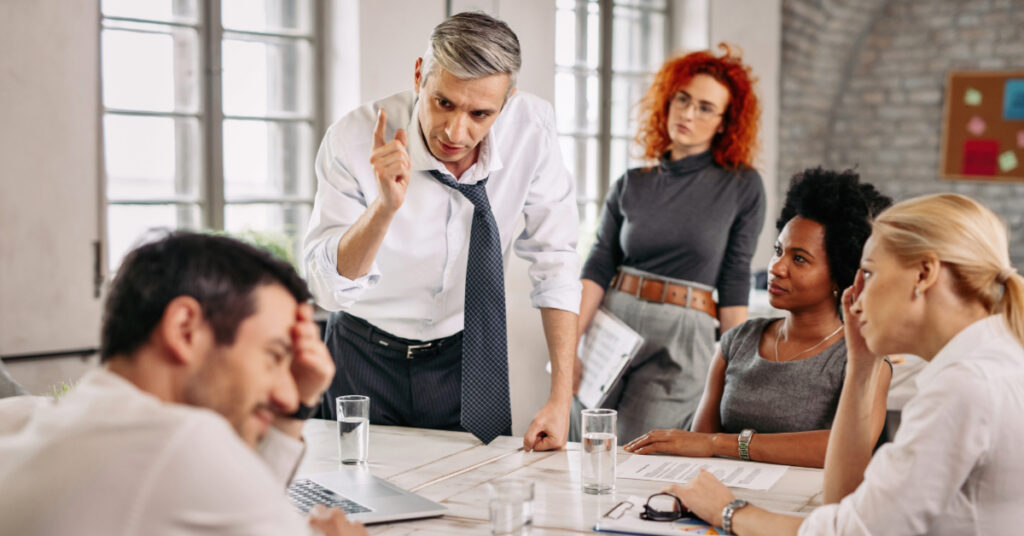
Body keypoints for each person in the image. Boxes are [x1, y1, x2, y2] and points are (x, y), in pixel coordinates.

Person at [667, 193, 1024, 535]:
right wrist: (861, 363)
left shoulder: (963, 388)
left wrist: (728, 511)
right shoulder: (992, 359)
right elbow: (846, 505)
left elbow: (849, 532)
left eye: (868, 273)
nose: (857, 295)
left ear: (924, 274)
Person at [303, 12, 580, 450]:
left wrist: (561, 397)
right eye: (443, 102)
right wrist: (384, 209)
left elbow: (557, 261)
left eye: (480, 113)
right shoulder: (355, 138)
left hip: (464, 356)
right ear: (420, 76)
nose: (455, 131)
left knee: (472, 500)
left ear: (506, 103)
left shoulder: (531, 129)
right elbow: (327, 290)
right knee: (360, 499)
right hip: (362, 352)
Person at [0, 233, 366, 536]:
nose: (284, 394)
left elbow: (234, 505)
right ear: (184, 329)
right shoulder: (180, 440)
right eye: (272, 355)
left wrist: (293, 411)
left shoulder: (21, 418)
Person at [624, 168, 893, 468]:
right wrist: (706, 445)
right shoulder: (738, 341)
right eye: (778, 250)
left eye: (799, 258)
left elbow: (846, 448)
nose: (776, 267)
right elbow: (698, 444)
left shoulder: (860, 357)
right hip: (721, 497)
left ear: (838, 275)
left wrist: (722, 444)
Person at [576, 44, 766, 442]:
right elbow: (597, 266)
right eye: (683, 98)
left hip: (684, 335)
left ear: (723, 122)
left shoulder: (742, 185)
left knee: (638, 454)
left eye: (705, 107)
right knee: (580, 445)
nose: (688, 113)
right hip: (613, 324)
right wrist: (570, 345)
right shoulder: (632, 181)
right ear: (668, 99)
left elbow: (733, 281)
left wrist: (739, 371)